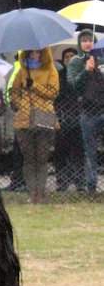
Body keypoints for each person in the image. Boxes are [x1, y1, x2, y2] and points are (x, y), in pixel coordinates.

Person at [6, 47, 60, 204]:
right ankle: (32, 193)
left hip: (44, 115)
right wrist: (19, 103)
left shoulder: (51, 70)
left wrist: (34, 85)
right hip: (24, 118)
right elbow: (13, 91)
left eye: (38, 52)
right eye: (31, 52)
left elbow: (53, 92)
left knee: (42, 158)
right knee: (28, 158)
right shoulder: (22, 71)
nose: (35, 55)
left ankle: (41, 193)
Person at [68, 30, 104, 192]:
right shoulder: (76, 61)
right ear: (79, 44)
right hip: (88, 113)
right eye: (84, 41)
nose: (88, 43)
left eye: (90, 40)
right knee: (90, 151)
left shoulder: (102, 59)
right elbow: (74, 86)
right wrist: (86, 71)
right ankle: (91, 187)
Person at [53, 47, 84, 191]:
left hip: (79, 117)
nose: (69, 58)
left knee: (78, 151)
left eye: (72, 56)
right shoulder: (58, 75)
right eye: (67, 56)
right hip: (62, 117)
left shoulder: (81, 74)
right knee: (61, 151)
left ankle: (79, 181)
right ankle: (62, 181)